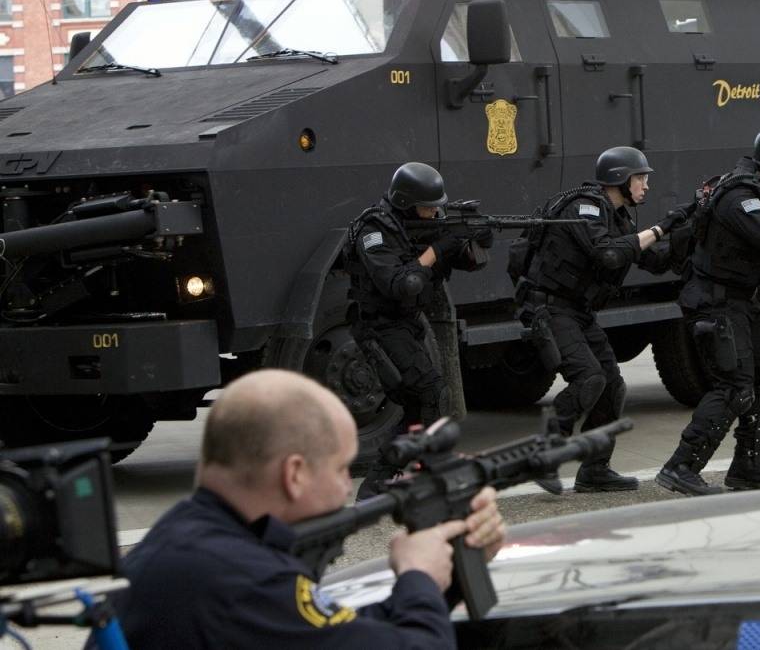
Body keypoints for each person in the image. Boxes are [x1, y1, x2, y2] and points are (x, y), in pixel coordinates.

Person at [113, 369, 506, 648]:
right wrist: (418, 575)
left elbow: (346, 635)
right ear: (295, 474)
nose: (346, 487)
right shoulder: (242, 581)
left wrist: (445, 575)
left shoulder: (194, 541)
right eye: (341, 469)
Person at [655, 126, 760, 497]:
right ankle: (680, 467)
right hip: (716, 302)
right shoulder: (740, 196)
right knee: (734, 389)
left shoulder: (759, 188)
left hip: (738, 301)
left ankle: (748, 468)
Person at [516, 146, 682, 492]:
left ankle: (595, 470)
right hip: (551, 307)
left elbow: (654, 261)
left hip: (579, 311)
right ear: (620, 179)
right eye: (640, 178)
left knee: (611, 384)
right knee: (589, 379)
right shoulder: (585, 209)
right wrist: (660, 228)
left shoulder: (618, 216)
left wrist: (688, 231)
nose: (646, 186)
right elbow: (608, 254)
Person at [345, 162, 492, 499]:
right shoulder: (374, 230)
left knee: (417, 405)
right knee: (432, 394)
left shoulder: (424, 226)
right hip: (379, 326)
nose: (434, 213)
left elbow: (471, 262)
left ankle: (377, 483)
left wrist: (476, 240)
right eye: (428, 207)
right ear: (405, 203)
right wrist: (438, 249)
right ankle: (429, 477)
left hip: (407, 325)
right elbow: (402, 283)